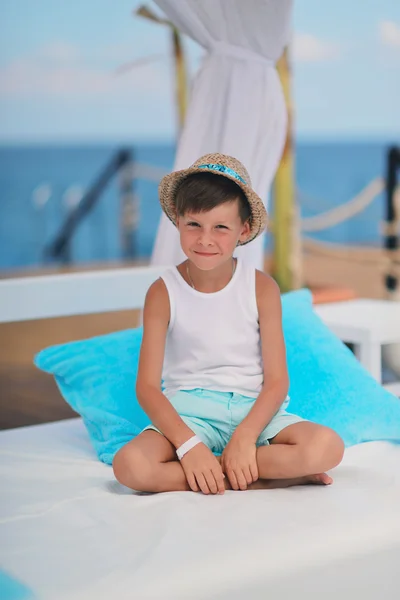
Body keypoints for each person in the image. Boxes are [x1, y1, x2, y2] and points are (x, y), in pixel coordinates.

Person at [113, 153, 344, 495]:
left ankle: (223, 467)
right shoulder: (163, 292)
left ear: (243, 230)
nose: (205, 239)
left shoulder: (262, 288)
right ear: (177, 221)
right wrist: (188, 447)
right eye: (194, 224)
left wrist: (247, 437)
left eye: (220, 227)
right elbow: (147, 388)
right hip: (190, 414)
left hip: (256, 413)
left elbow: (278, 381)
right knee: (129, 466)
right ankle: (260, 475)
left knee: (328, 447)